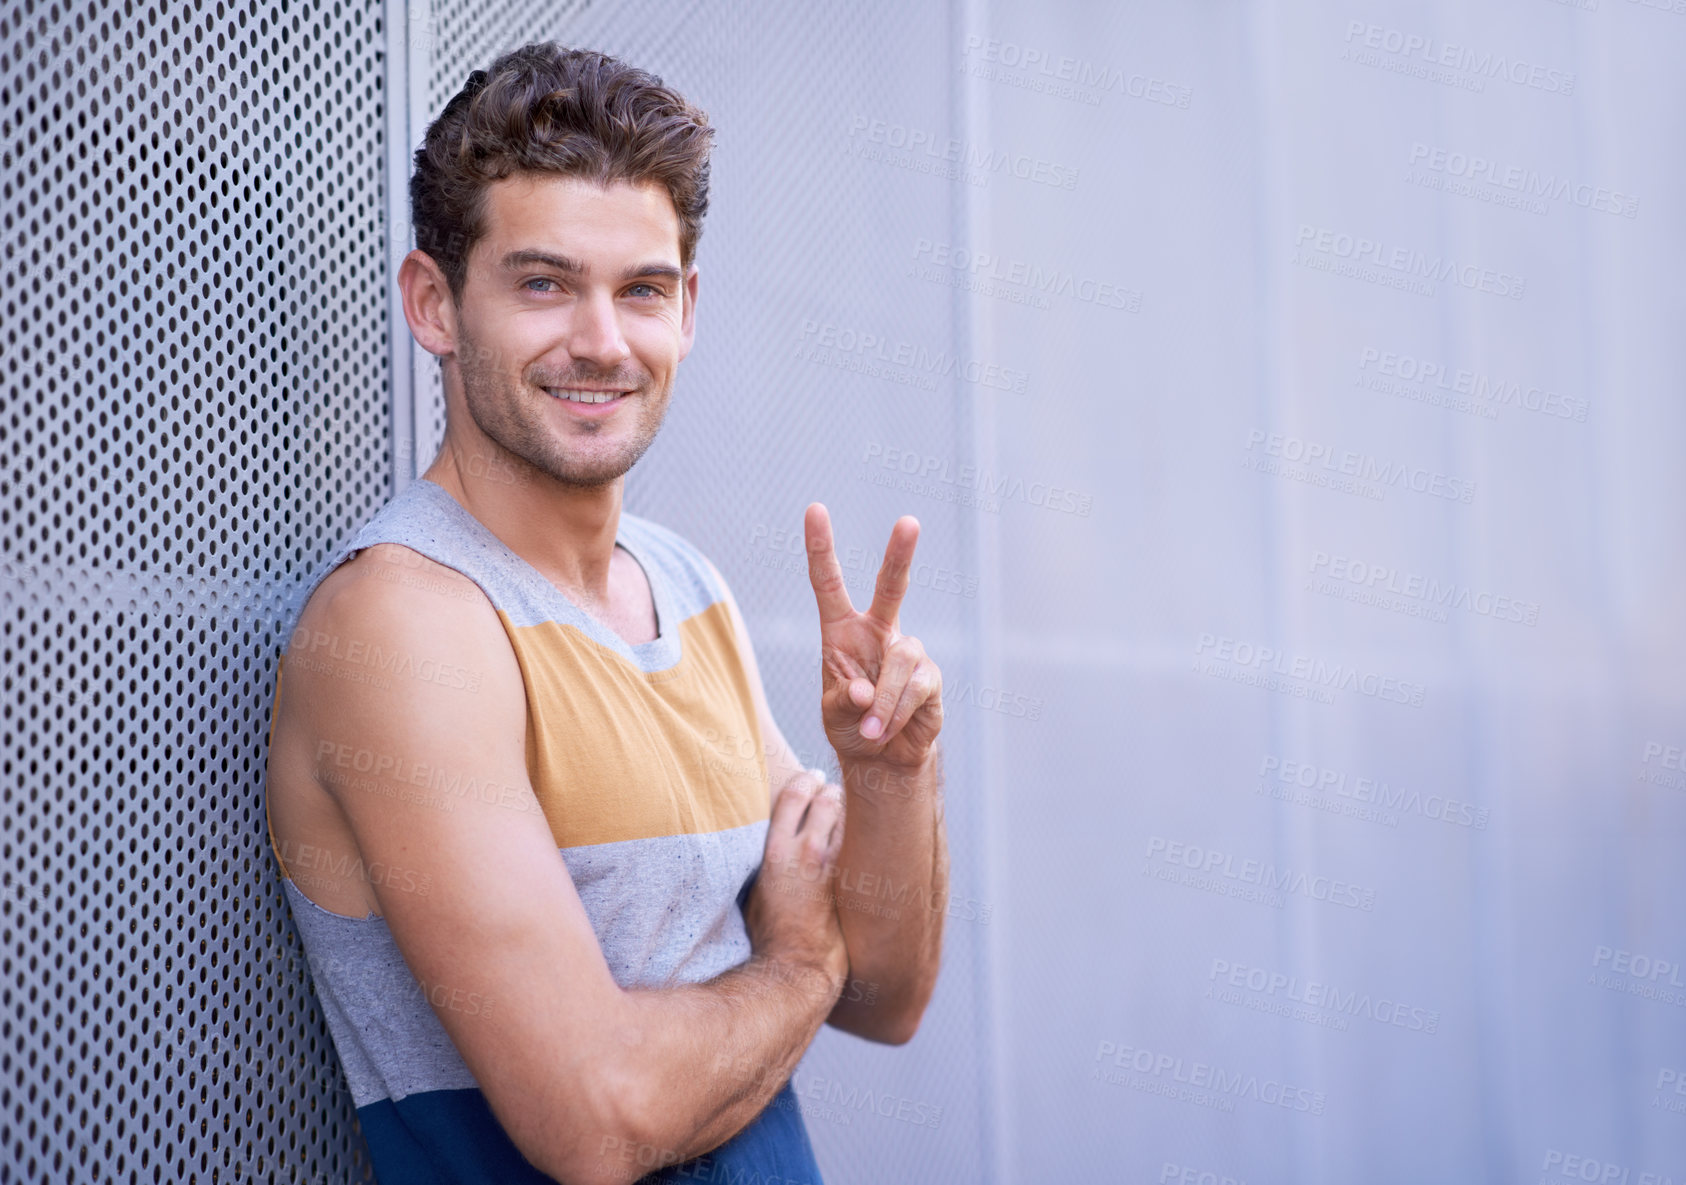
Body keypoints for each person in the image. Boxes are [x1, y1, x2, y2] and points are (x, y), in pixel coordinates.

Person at [263, 42, 949, 1185]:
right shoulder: (404, 626)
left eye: (640, 290)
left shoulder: (683, 584)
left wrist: (888, 775)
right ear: (434, 302)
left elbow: (886, 998)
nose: (601, 340)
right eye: (543, 283)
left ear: (687, 311)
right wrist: (789, 961)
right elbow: (597, 1119)